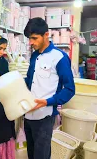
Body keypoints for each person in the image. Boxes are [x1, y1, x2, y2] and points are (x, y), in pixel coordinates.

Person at [23, 17, 75, 159]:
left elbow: (70, 89)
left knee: (42, 154)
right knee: (31, 153)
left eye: (34, 38)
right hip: (28, 114)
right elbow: (30, 81)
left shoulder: (59, 57)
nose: (31, 42)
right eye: (29, 38)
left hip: (44, 116)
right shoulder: (34, 56)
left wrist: (47, 102)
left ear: (46, 35)